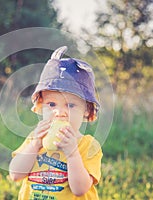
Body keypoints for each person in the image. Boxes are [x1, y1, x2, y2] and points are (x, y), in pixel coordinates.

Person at [9, 46, 102, 200]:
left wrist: (72, 153)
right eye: (52, 105)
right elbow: (15, 175)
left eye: (71, 105)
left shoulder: (88, 145)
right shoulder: (35, 139)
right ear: (40, 105)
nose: (60, 112)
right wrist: (35, 145)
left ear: (86, 110)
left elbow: (80, 189)